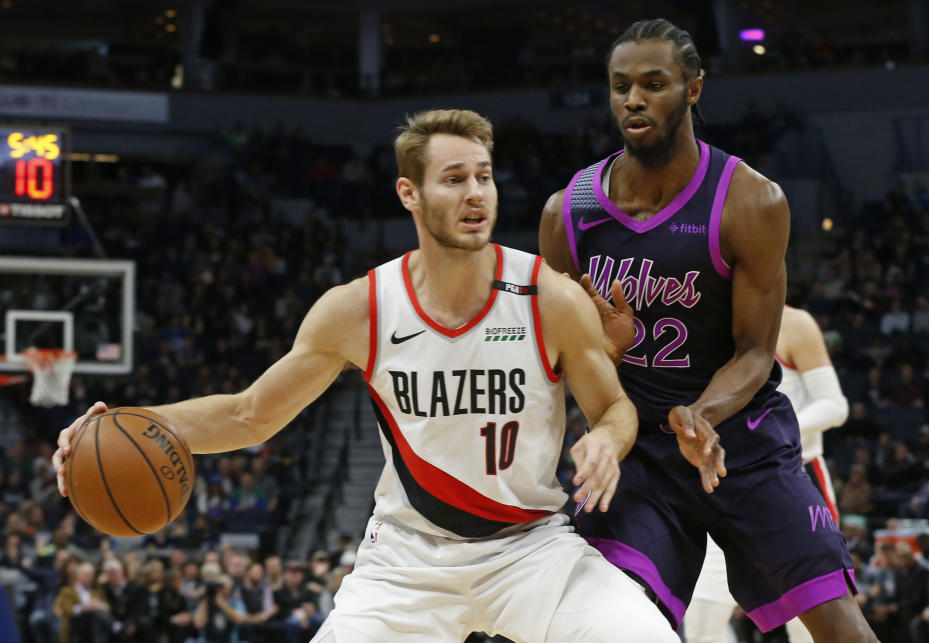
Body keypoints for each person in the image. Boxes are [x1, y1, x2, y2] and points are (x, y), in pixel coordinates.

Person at [53, 108, 688, 642]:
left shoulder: (549, 297)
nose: (475, 193)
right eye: (454, 178)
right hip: (405, 561)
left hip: (531, 549)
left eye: (485, 177)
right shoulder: (359, 309)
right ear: (409, 194)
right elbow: (251, 414)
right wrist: (129, 424)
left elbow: (615, 409)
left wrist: (607, 438)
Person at [539, 18, 877, 642]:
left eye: (653, 83)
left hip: (741, 445)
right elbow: (553, 358)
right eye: (620, 87)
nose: (633, 100)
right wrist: (603, 354)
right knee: (598, 626)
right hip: (637, 454)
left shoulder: (751, 201)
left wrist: (700, 414)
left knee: (841, 631)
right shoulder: (570, 211)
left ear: (694, 88)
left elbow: (753, 351)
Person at [684, 305, 850, 643]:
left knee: (811, 627)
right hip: (725, 483)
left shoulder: (795, 322)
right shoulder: (703, 317)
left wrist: (766, 437)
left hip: (791, 479)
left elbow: (835, 405)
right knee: (702, 625)